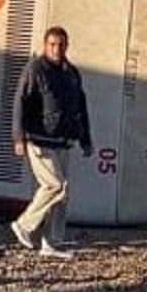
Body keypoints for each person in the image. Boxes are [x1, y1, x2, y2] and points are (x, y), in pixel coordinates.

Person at [9, 26, 93, 260]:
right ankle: (24, 225)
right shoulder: (35, 69)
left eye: (61, 44)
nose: (57, 49)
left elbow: (81, 108)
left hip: (63, 140)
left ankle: (52, 242)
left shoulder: (71, 73)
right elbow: (20, 102)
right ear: (45, 45)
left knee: (62, 194)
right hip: (39, 138)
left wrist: (85, 139)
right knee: (54, 185)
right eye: (52, 44)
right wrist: (18, 137)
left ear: (67, 46)